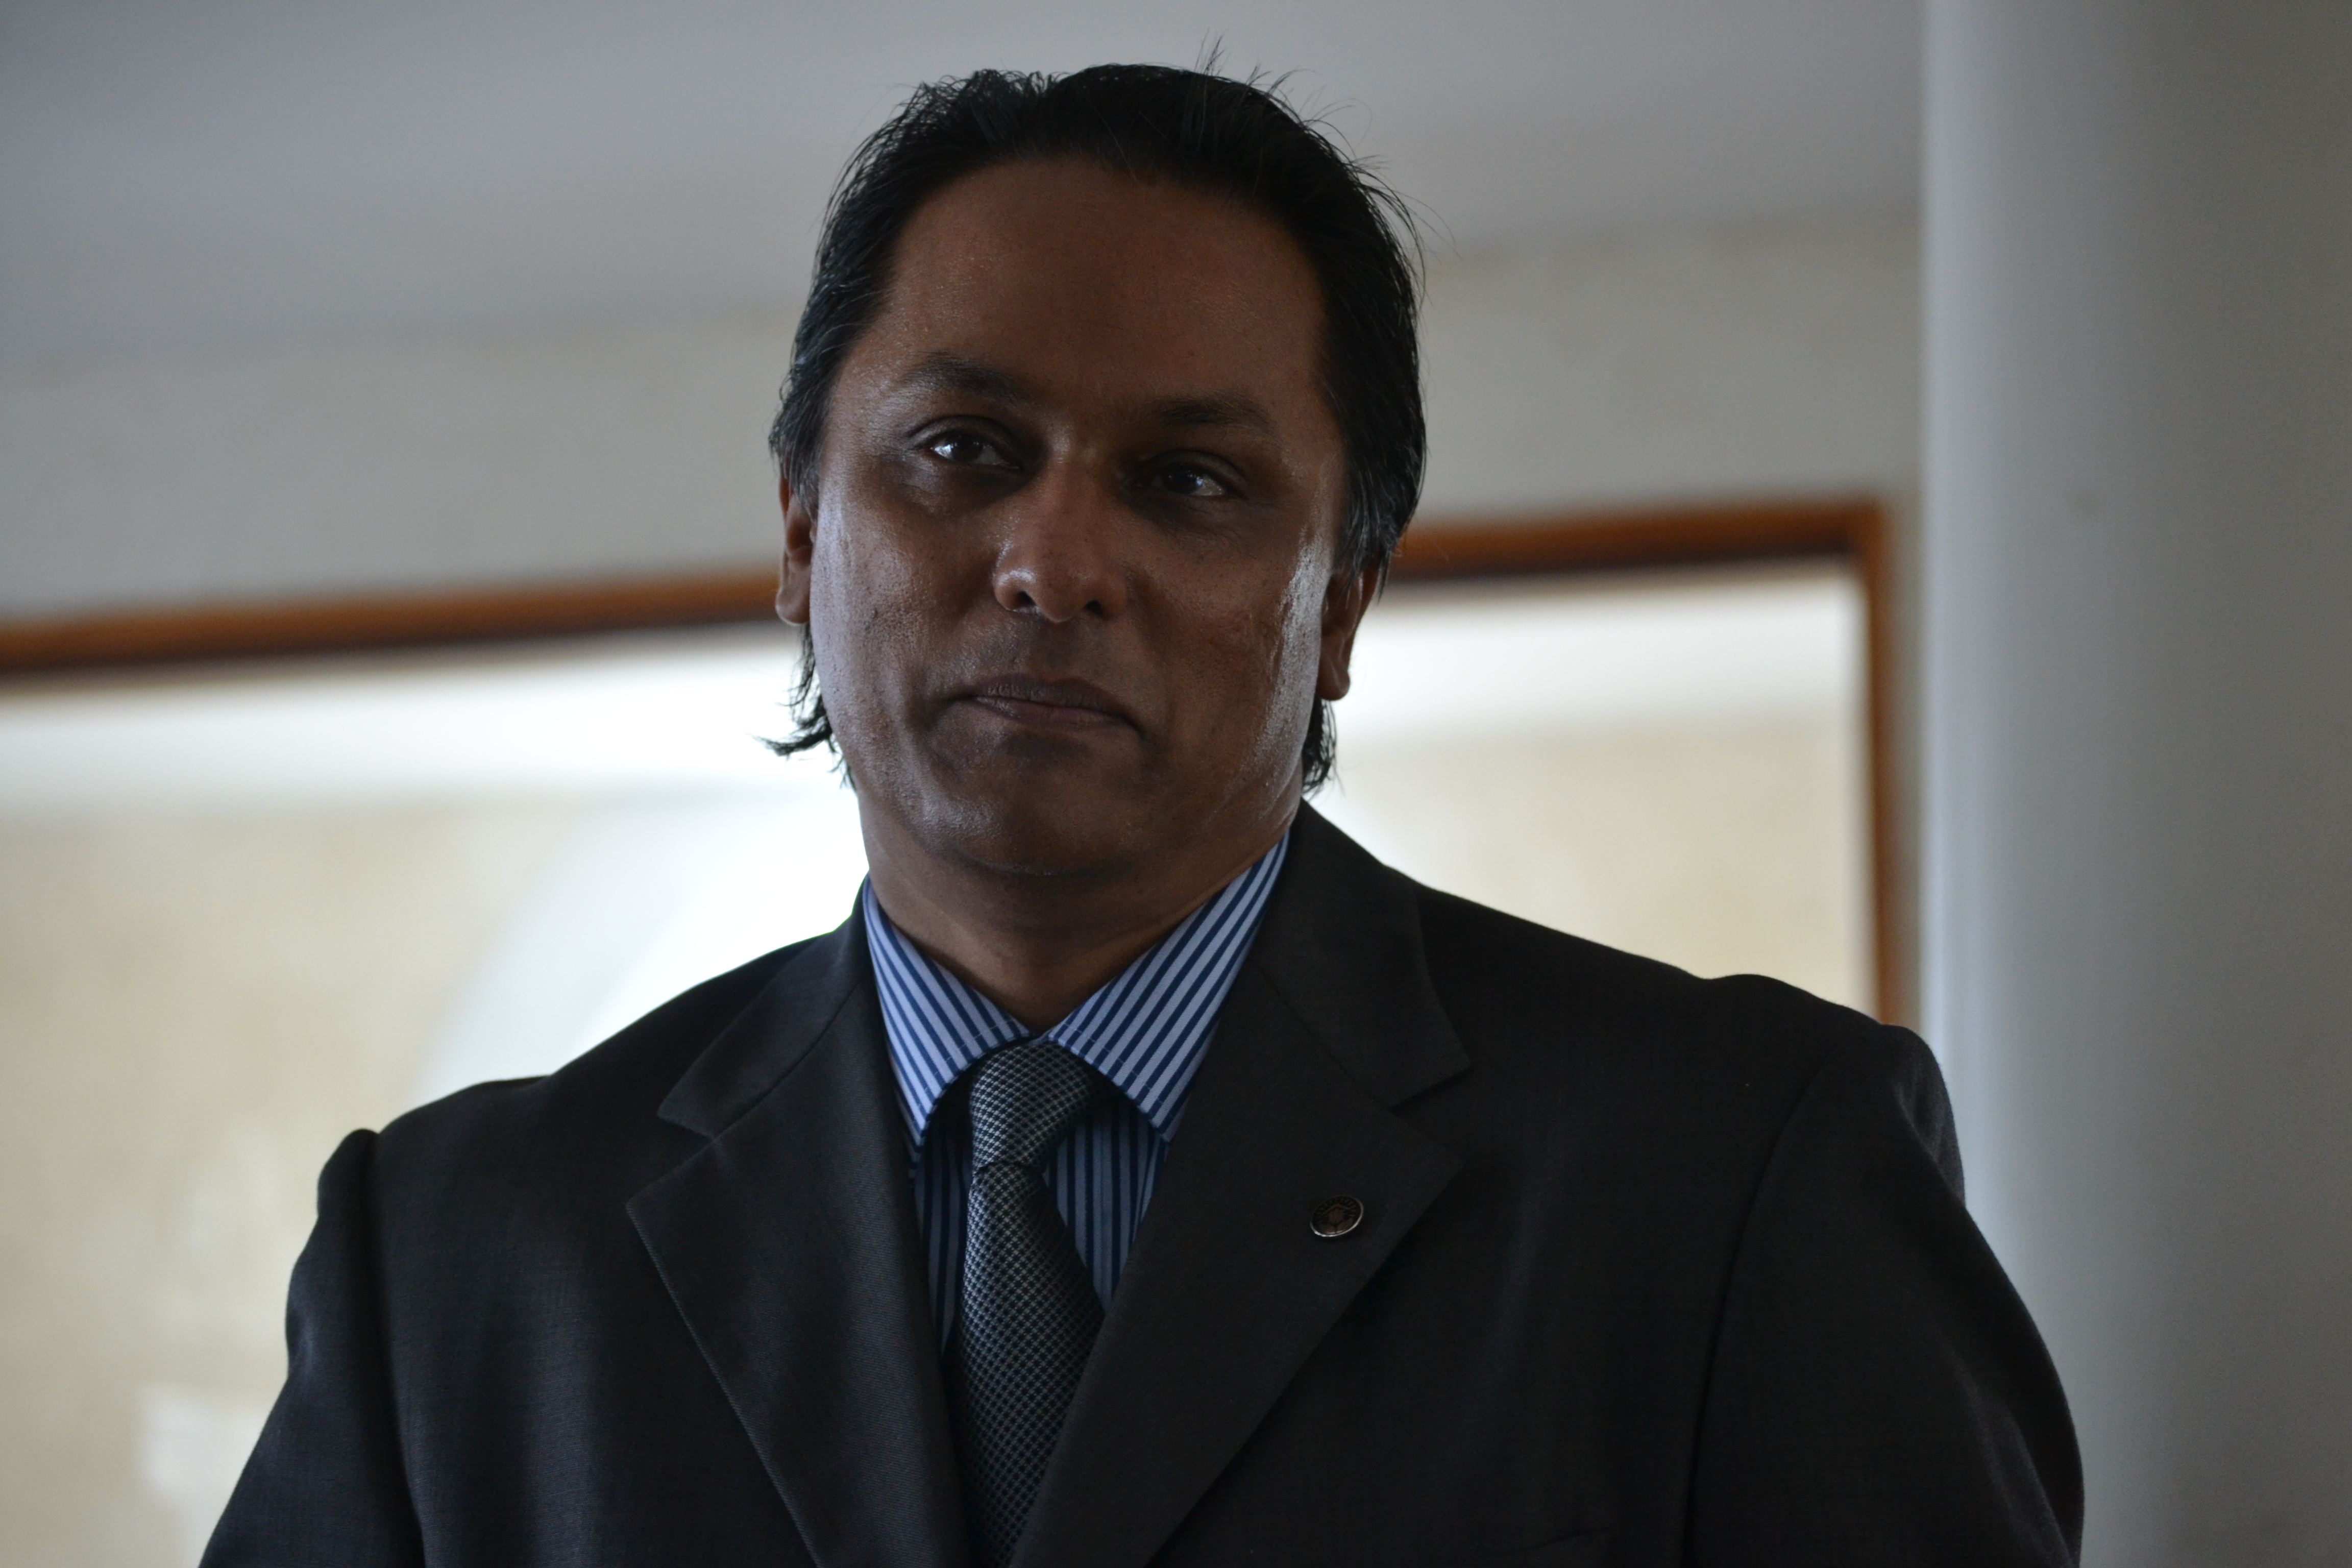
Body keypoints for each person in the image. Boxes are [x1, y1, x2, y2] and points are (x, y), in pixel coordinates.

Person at [205, 65, 2081, 1568]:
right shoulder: (453, 1258)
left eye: (1188, 481)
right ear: (801, 533)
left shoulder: (1733, 1170)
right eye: (962, 451)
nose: (1053, 561)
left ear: (1337, 608)